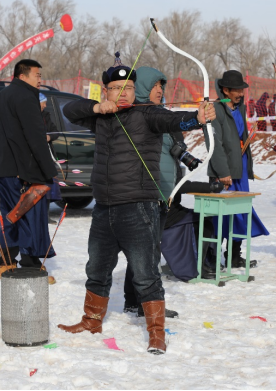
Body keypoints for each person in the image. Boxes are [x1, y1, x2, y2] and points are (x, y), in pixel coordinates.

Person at [57, 52, 215, 355]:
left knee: (145, 274)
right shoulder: (100, 115)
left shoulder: (147, 113)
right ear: (106, 92)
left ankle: (156, 333)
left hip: (138, 208)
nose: (123, 93)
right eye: (116, 89)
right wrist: (97, 106)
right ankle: (91, 321)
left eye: (128, 87)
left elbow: (172, 119)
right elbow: (70, 109)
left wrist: (197, 117)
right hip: (103, 207)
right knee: (97, 268)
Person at [122, 66, 181, 319]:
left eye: (162, 86)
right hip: (148, 193)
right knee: (147, 251)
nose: (160, 90)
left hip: (164, 193)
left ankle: (135, 301)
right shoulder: (139, 116)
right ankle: (148, 302)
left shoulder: (160, 114)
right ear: (144, 87)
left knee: (146, 249)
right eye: (155, 86)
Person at [0, 60, 60, 269]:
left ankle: (8, 260)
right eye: (37, 75)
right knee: (27, 214)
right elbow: (35, 137)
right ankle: (29, 262)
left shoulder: (0, 97)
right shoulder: (26, 96)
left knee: (11, 213)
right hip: (22, 169)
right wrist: (48, 170)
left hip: (3, 167)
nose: (40, 79)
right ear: (22, 76)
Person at [206, 70, 269, 269]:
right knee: (220, 216)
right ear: (225, 90)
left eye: (242, 90)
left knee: (240, 214)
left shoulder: (239, 108)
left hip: (239, 170)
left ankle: (234, 256)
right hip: (223, 172)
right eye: (237, 91)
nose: (241, 94)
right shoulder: (214, 110)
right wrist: (223, 172)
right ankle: (212, 260)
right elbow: (214, 145)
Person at [39, 92, 62, 226]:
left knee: (48, 185)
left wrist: (49, 137)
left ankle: (45, 215)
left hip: (47, 154)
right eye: (43, 103)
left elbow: (55, 131)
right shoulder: (29, 115)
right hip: (35, 155)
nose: (45, 105)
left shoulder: (46, 116)